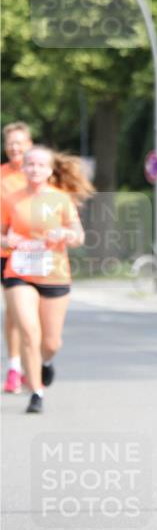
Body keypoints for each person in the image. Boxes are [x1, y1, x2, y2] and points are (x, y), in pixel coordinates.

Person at [1, 146, 94, 413]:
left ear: (50, 170)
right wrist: (8, 240)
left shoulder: (61, 199)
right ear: (24, 168)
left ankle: (46, 362)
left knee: (51, 342)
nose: (34, 169)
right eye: (30, 164)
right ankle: (36, 392)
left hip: (54, 274)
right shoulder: (10, 199)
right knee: (30, 333)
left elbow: (79, 236)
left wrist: (65, 234)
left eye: (41, 165)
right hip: (19, 273)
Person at [1, 122, 33, 393]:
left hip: (39, 255)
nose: (15, 147)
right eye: (10, 143)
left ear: (29, 144)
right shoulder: (1, 177)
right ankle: (14, 368)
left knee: (34, 316)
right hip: (8, 253)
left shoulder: (41, 174)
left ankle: (32, 363)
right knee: (14, 312)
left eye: (20, 142)